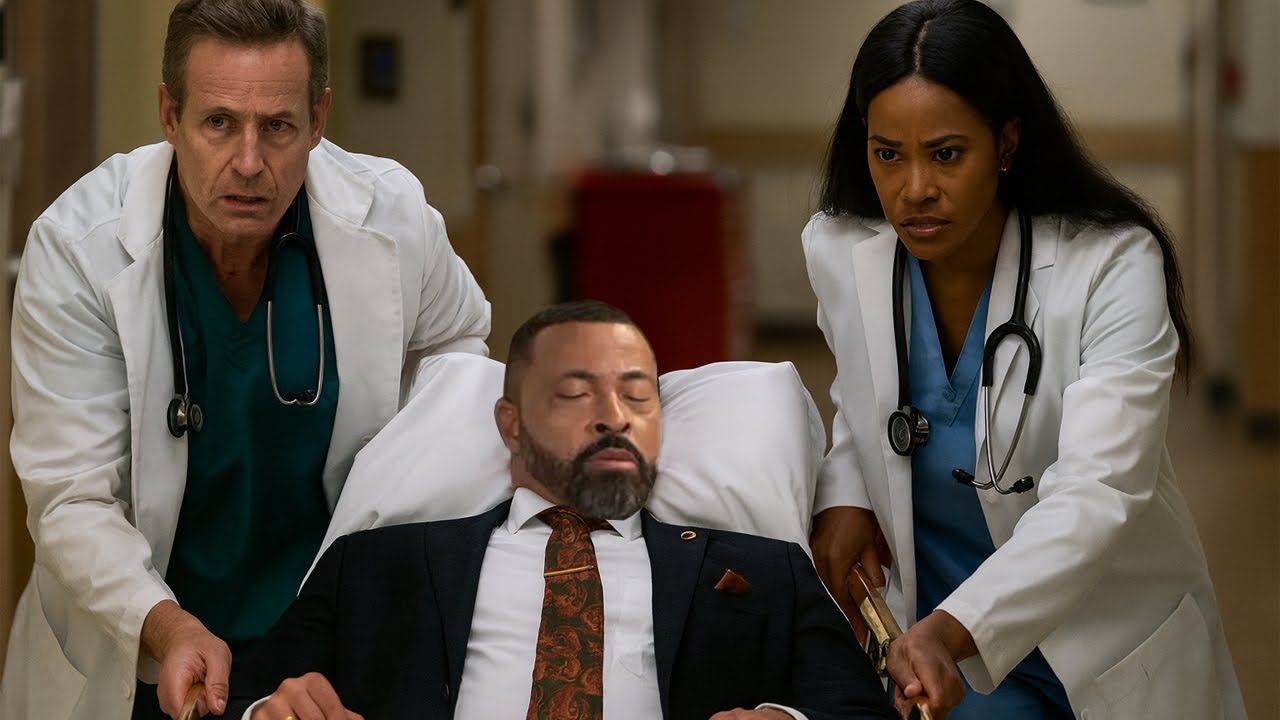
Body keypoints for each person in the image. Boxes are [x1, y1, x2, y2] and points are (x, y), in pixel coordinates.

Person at [0, 2, 490, 719]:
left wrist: (402, 521)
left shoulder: (392, 217)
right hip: (143, 645)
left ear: (318, 120)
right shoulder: (79, 249)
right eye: (220, 122)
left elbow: (461, 361)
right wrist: (168, 627)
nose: (251, 162)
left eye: (279, 126)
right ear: (169, 116)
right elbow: (71, 497)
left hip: (324, 651)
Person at [801, 2, 1245, 719]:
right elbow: (859, 394)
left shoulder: (1110, 265)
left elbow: (1100, 488)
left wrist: (952, 630)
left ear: (1006, 142)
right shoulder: (841, 250)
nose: (915, 188)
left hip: (1101, 642)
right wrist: (847, 489)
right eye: (888, 154)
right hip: (949, 656)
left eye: (946, 154)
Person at [225, 301, 897, 720]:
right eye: (575, 395)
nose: (614, 418)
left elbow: (861, 709)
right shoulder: (377, 563)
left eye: (638, 397)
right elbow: (242, 700)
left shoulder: (765, 570)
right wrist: (267, 713)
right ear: (511, 425)